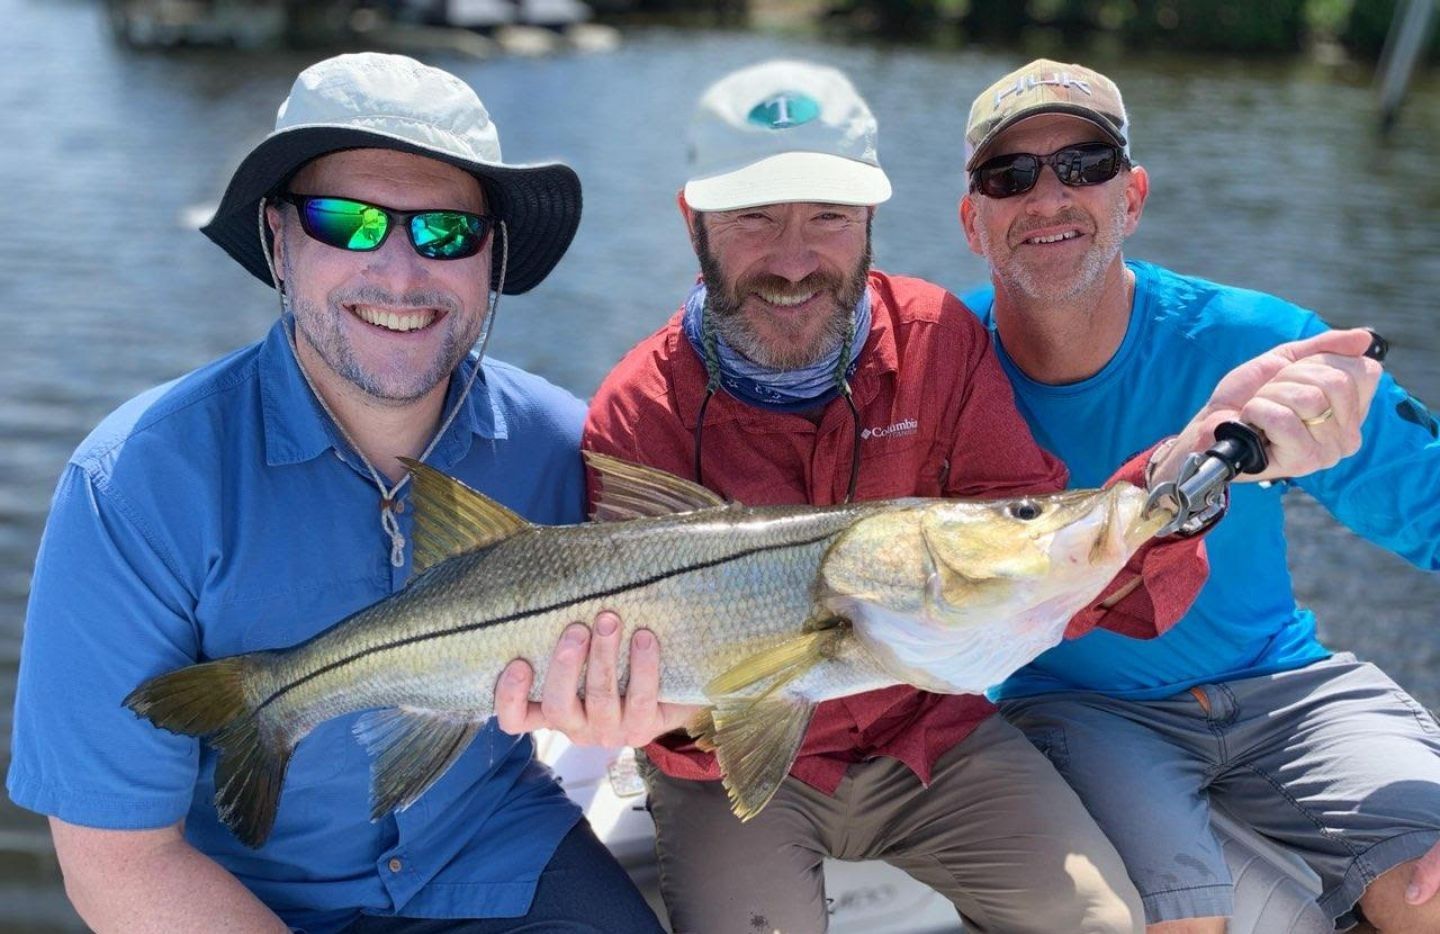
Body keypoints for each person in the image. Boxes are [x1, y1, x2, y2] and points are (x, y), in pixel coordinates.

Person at [493, 60, 1379, 934]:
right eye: (754, 217)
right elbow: (658, 692)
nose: (793, 258)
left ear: (871, 218)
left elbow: (1030, 541)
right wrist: (666, 719)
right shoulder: (637, 404)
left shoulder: (937, 340)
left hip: (932, 735)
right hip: (732, 767)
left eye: (830, 217)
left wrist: (1182, 471)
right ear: (693, 220)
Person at [5, 53, 662, 934]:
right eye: (345, 223)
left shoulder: (566, 446)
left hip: (499, 854)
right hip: (242, 895)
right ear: (279, 238)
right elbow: (119, 858)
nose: (398, 273)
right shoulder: (134, 483)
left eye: (444, 234)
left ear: (491, 255)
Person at [957, 59, 1440, 933]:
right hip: (1078, 707)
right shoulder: (934, 372)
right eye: (1010, 174)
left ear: (1132, 197)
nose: (1049, 196)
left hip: (1286, 688)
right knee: (1177, 921)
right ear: (972, 220)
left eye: (1085, 166)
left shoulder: (1260, 343)